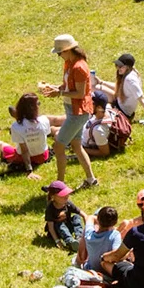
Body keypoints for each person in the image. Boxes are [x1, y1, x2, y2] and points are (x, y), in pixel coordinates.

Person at [40, 33, 98, 190]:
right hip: (73, 110)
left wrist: (59, 93)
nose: (59, 56)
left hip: (78, 113)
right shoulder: (69, 63)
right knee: (77, 146)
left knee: (58, 147)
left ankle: (59, 186)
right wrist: (56, 88)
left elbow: (80, 93)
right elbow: (68, 85)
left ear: (67, 50)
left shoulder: (79, 67)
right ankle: (91, 180)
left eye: (60, 52)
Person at [41, 179, 85, 252]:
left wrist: (88, 223)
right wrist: (57, 241)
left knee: (76, 217)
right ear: (53, 196)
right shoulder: (50, 209)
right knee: (59, 224)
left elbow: (83, 214)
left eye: (66, 194)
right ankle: (70, 241)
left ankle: (79, 237)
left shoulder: (67, 203)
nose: (66, 197)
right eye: (62, 195)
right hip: (58, 232)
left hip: (67, 226)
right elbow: (51, 228)